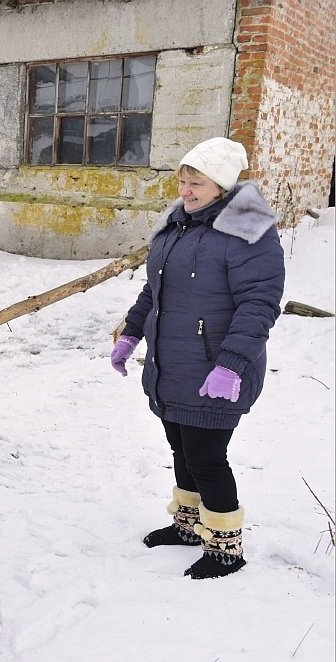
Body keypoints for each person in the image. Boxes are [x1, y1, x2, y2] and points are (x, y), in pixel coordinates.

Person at [110, 137, 285, 579]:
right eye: (183, 181)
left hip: (216, 367)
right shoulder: (176, 224)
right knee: (181, 448)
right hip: (171, 363)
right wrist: (132, 334)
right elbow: (155, 289)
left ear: (222, 187)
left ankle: (226, 547)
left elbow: (260, 302)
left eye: (197, 183)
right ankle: (189, 526)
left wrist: (231, 365)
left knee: (207, 457)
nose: (185, 191)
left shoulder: (249, 228)